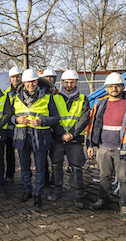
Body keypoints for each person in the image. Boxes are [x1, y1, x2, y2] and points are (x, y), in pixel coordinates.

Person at [87, 72, 126, 222]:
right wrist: (91, 144)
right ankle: (103, 200)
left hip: (124, 150)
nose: (114, 89)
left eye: (117, 86)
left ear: (123, 87)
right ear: (106, 88)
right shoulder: (100, 104)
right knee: (104, 176)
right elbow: (93, 125)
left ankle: (125, 207)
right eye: (110, 86)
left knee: (124, 179)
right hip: (103, 148)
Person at [12, 69, 59, 207]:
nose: (31, 84)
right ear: (24, 83)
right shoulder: (16, 98)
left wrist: (41, 121)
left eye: (33, 81)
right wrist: (17, 119)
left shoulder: (47, 97)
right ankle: (27, 191)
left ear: (37, 81)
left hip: (40, 137)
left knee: (40, 168)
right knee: (24, 167)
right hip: (22, 137)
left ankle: (38, 194)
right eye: (28, 82)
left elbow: (56, 118)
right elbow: (11, 116)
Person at [48, 70, 89, 208]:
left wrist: (72, 133)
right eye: (66, 82)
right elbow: (53, 117)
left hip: (75, 139)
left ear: (76, 82)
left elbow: (84, 119)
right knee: (56, 166)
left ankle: (77, 195)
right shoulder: (54, 98)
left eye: (72, 82)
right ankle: (56, 191)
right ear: (62, 83)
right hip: (58, 138)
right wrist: (61, 133)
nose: (69, 84)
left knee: (76, 167)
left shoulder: (83, 98)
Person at [2, 66, 23, 183]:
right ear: (10, 79)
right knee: (9, 153)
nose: (16, 79)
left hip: (23, 128)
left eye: (18, 77)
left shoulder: (26, 91)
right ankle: (10, 175)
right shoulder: (6, 93)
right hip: (9, 129)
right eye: (13, 77)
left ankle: (26, 176)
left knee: (24, 154)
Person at [41, 68, 58, 187]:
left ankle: (55, 180)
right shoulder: (41, 93)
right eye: (47, 77)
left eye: (51, 77)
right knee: (43, 158)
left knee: (55, 157)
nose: (49, 80)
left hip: (55, 130)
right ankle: (45, 179)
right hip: (43, 130)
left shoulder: (58, 94)